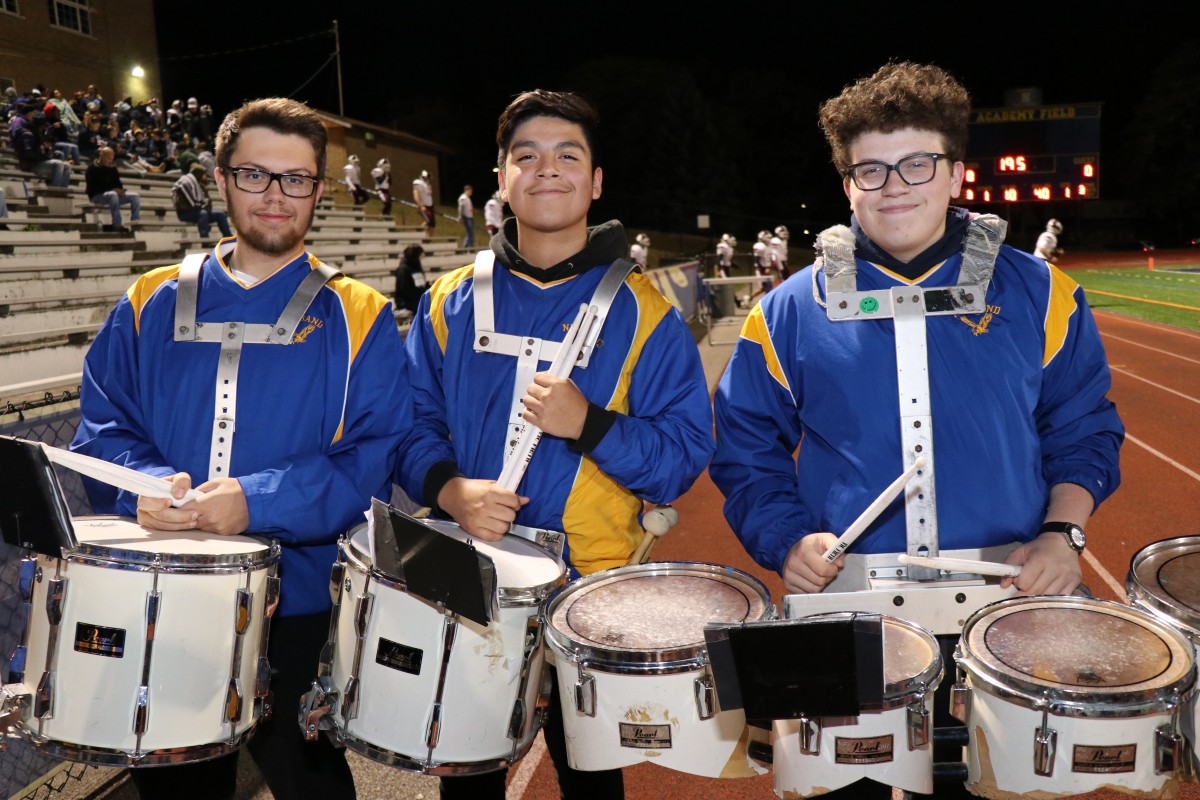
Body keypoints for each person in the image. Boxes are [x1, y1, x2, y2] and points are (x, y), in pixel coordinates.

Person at [709, 62, 1124, 800]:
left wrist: (1064, 535)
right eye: (871, 168)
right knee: (844, 790)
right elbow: (745, 446)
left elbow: (1083, 426)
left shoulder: (1040, 290)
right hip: (848, 598)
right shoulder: (786, 309)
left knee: (999, 788)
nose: (895, 184)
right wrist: (784, 539)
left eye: (917, 162)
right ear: (847, 185)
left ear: (956, 172)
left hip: (1005, 595)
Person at [71, 97, 411, 800]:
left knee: (311, 780)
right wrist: (147, 487)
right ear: (221, 179)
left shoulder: (363, 314)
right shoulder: (147, 300)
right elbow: (104, 427)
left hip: (302, 601)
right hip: (163, 592)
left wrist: (256, 500)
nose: (276, 195)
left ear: (319, 189)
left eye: (298, 178)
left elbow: (374, 455)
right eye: (255, 174)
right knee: (176, 787)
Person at [395, 89, 715, 800]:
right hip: (470, 580)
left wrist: (592, 425)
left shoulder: (648, 312)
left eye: (568, 156)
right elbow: (409, 425)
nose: (547, 170)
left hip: (591, 591)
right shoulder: (448, 299)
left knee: (592, 781)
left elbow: (682, 459)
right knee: (467, 779)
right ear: (501, 179)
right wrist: (450, 489)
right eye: (527, 157)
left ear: (596, 181)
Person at [9, 102, 72, 188]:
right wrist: (44, 157)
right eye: (43, 126)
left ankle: (63, 189)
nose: (45, 128)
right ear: (39, 126)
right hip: (31, 165)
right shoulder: (27, 134)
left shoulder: (37, 134)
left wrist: (47, 151)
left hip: (39, 162)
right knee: (59, 164)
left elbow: (39, 150)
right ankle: (55, 189)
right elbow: (29, 154)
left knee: (67, 165)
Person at [85, 146, 142, 232]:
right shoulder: (92, 168)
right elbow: (93, 188)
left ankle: (135, 224)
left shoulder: (112, 168)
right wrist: (112, 190)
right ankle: (117, 225)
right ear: (102, 156)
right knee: (112, 195)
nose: (110, 161)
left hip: (112, 195)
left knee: (135, 196)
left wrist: (120, 191)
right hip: (96, 196)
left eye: (112, 158)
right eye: (108, 158)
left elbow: (118, 184)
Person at [172, 162, 233, 239]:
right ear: (198, 174)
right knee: (203, 213)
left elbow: (208, 202)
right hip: (186, 213)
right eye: (204, 175)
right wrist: (204, 205)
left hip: (200, 211)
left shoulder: (200, 187)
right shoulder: (186, 184)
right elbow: (193, 204)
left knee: (220, 214)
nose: (205, 177)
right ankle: (205, 238)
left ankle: (228, 237)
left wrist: (204, 206)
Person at [393, 242, 425, 315]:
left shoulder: (417, 267)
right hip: (407, 303)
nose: (422, 256)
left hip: (418, 300)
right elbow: (404, 290)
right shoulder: (403, 270)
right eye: (420, 255)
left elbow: (420, 284)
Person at [412, 168, 435, 238]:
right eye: (427, 177)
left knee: (432, 224)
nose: (428, 179)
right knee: (429, 220)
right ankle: (417, 232)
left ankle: (428, 238)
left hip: (430, 206)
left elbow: (428, 197)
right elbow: (416, 195)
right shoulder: (418, 183)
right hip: (424, 206)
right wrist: (420, 205)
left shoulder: (427, 185)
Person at [751, 228, 774, 294]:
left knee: (768, 287)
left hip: (765, 269)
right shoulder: (760, 246)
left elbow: (768, 258)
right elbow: (756, 260)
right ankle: (748, 299)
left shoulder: (768, 246)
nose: (769, 239)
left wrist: (768, 267)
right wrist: (762, 270)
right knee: (763, 288)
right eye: (767, 237)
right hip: (761, 269)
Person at [457, 184, 475, 249]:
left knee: (470, 232)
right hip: (466, 217)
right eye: (470, 191)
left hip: (469, 217)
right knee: (470, 232)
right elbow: (461, 207)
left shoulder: (467, 198)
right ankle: (468, 246)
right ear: (466, 190)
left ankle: (467, 246)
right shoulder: (463, 198)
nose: (471, 193)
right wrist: (460, 216)